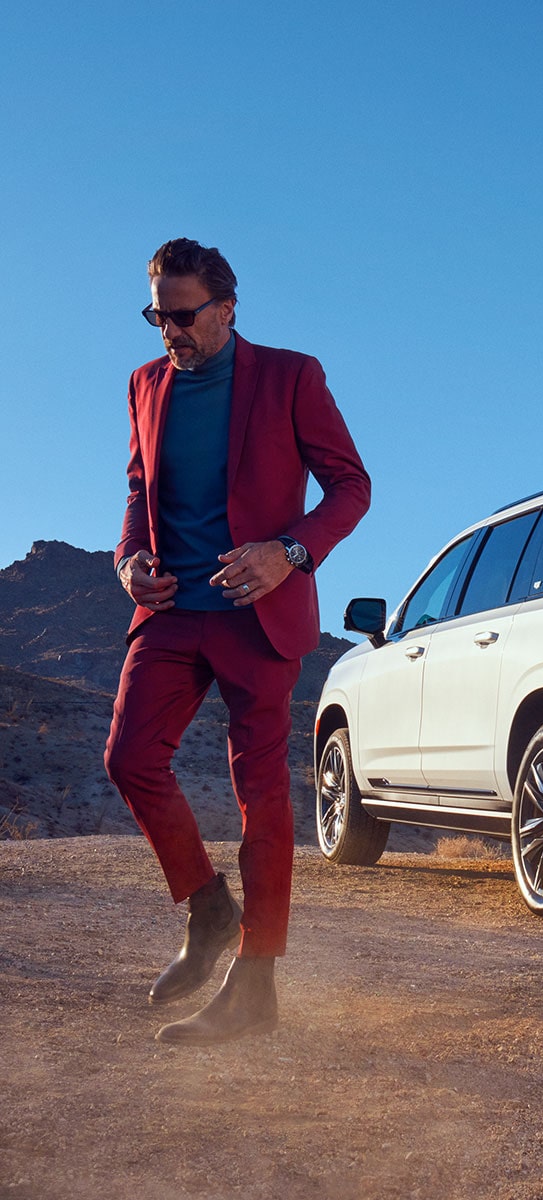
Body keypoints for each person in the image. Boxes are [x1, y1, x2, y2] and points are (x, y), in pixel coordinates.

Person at [104, 238, 370, 1045]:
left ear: (226, 307)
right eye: (158, 315)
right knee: (128, 756)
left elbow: (351, 485)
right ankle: (210, 909)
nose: (169, 333)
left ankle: (256, 984)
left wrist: (287, 554)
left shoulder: (292, 377)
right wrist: (127, 560)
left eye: (183, 316)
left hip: (260, 611)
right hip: (173, 610)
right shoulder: (144, 385)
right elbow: (138, 487)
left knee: (259, 794)